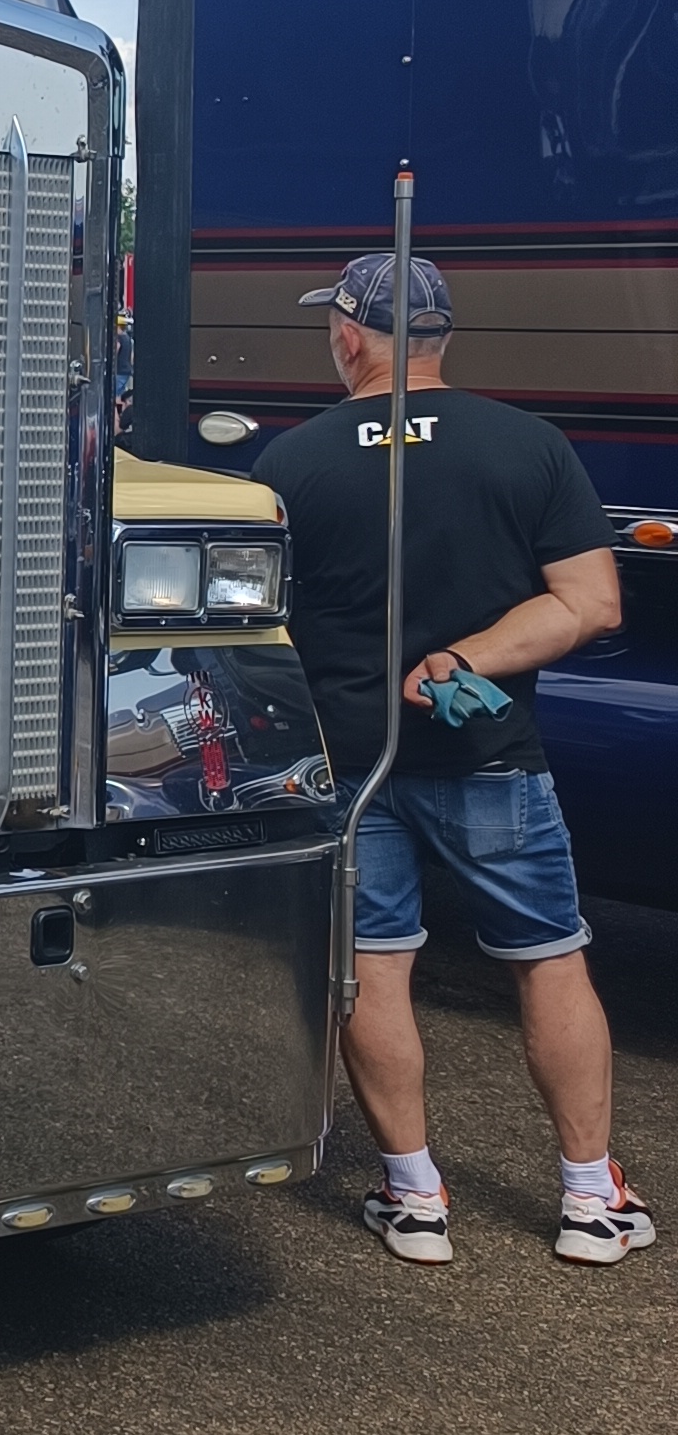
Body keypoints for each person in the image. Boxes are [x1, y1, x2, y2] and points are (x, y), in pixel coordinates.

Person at [271, 249, 652, 1271]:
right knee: (549, 957)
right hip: (490, 757)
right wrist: (470, 656)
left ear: (349, 335)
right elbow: (593, 604)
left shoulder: (292, 463)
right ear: (441, 337)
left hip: (352, 771)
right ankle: (591, 1202)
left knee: (373, 968)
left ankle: (415, 1200)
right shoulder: (529, 446)